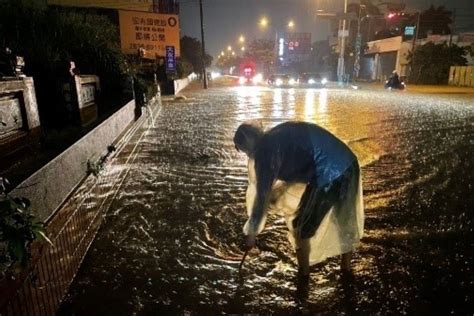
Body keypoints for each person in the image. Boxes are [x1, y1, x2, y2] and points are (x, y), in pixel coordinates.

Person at [234, 121, 364, 278]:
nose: (248, 156)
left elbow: (261, 198)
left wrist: (251, 234)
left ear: (248, 146)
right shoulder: (275, 136)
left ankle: (303, 275)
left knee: (301, 227)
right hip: (349, 162)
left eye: (245, 152)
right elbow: (303, 161)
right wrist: (282, 191)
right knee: (343, 220)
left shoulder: (265, 154)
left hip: (330, 172)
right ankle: (346, 268)